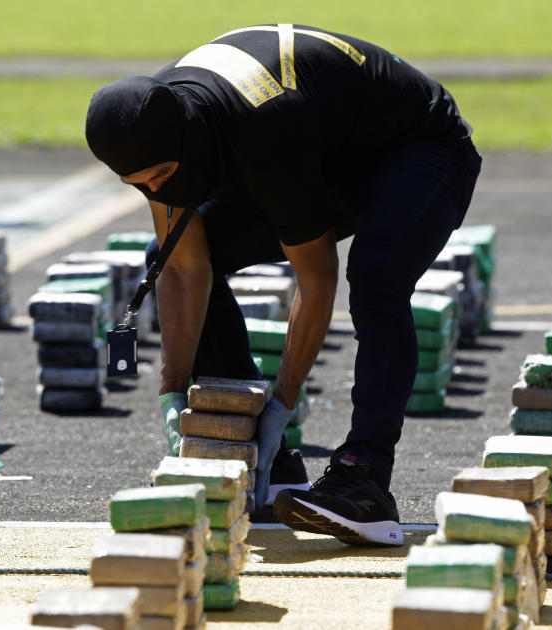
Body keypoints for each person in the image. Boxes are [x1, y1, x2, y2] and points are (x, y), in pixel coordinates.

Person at [85, 24, 481, 545]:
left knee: (376, 275)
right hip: (325, 148)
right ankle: (264, 464)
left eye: (160, 176)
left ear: (189, 139)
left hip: (418, 150)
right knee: (168, 253)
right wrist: (172, 393)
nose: (155, 191)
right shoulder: (154, 128)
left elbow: (315, 282)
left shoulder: (264, 129)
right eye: (140, 185)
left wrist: (281, 406)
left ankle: (364, 478)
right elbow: (185, 268)